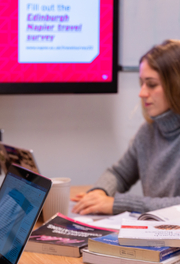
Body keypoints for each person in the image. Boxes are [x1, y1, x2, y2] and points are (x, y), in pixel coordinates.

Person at [72, 39, 180, 215]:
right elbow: (119, 173)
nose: (142, 93)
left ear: (176, 85)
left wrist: (119, 204)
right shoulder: (148, 131)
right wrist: (101, 191)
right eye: (142, 83)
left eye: (151, 84)